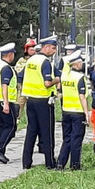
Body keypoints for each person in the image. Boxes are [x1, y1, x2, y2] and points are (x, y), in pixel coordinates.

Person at [21, 35, 61, 169]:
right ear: (47, 47)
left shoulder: (31, 60)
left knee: (31, 131)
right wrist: (57, 80)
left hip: (31, 100)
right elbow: (47, 83)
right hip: (44, 101)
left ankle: (26, 162)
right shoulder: (45, 62)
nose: (54, 51)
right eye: (53, 48)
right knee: (47, 132)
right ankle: (50, 163)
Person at [56, 52, 91, 170]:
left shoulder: (65, 76)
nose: (82, 64)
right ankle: (75, 165)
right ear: (76, 64)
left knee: (67, 138)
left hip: (66, 111)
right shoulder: (80, 78)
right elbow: (82, 97)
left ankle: (60, 163)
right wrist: (87, 114)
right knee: (76, 139)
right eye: (80, 62)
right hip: (77, 112)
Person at [0, 43, 18, 164]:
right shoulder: (6, 68)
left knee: (2, 127)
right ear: (10, 54)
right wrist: (6, 103)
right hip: (5, 102)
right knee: (11, 127)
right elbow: (4, 85)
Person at [15, 38, 37, 123]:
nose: (33, 51)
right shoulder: (21, 61)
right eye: (31, 49)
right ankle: (17, 119)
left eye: (34, 50)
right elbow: (18, 72)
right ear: (26, 50)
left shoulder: (36, 61)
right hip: (23, 87)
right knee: (20, 103)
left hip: (33, 87)